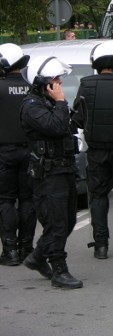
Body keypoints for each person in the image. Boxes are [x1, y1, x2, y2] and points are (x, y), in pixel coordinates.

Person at [72, 42, 113, 260]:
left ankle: (101, 245)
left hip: (96, 151)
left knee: (98, 196)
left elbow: (78, 118)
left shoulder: (85, 84)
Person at [20, 55, 82, 289]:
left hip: (63, 169)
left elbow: (66, 128)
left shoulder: (49, 103)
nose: (59, 84)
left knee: (67, 221)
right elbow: (55, 127)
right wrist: (60, 102)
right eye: (54, 80)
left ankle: (37, 257)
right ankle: (59, 270)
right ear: (42, 83)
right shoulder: (32, 106)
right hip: (47, 174)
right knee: (56, 223)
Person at [0, 44, 35, 266]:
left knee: (5, 200)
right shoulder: (32, 87)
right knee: (27, 199)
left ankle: (10, 250)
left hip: (3, 152)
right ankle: (26, 248)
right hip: (30, 151)